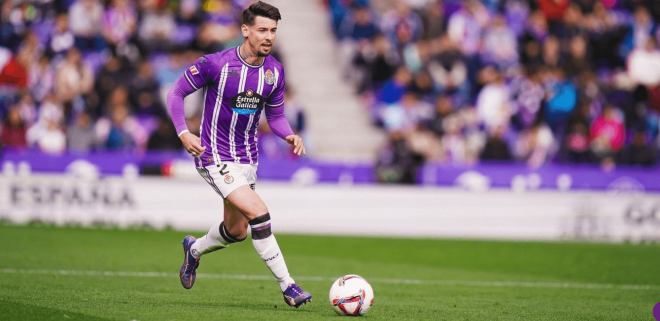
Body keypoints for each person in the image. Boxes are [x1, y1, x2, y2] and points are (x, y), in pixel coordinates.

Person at [166, 1, 311, 308]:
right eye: (262, 30)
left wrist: (289, 134)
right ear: (245, 31)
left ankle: (193, 250)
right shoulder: (216, 64)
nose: (268, 36)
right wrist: (183, 132)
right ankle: (289, 286)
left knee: (237, 231)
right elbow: (176, 93)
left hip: (247, 159)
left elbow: (275, 117)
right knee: (260, 214)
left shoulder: (274, 72)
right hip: (214, 155)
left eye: (273, 30)